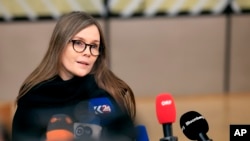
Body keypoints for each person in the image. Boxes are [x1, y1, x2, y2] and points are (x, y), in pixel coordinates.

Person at [12, 11, 137, 141]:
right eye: (78, 43)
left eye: (94, 46)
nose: (87, 52)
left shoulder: (108, 92)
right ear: (60, 45)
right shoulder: (33, 98)